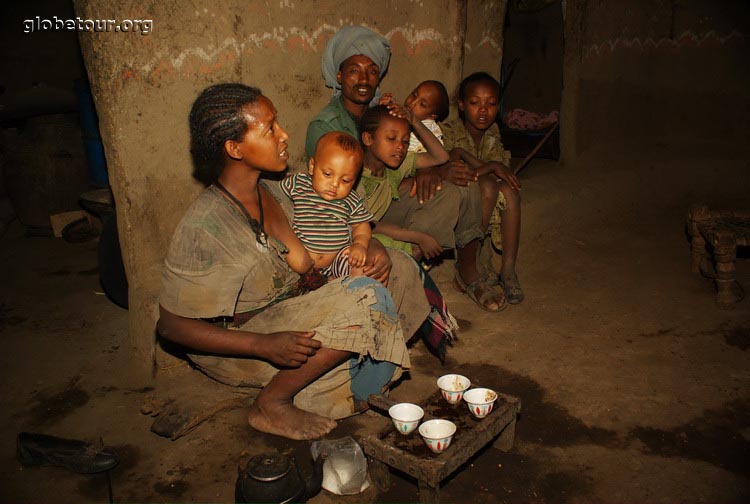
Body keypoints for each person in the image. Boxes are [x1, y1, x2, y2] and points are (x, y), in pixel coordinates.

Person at [157, 83, 431, 441]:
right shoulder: (207, 223)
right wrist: (262, 345)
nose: (284, 135)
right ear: (234, 148)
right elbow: (171, 327)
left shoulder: (276, 189)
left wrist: (373, 245)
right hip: (248, 341)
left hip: (297, 310)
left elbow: (340, 231)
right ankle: (273, 401)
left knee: (400, 266)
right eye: (270, 128)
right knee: (365, 298)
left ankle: (336, 375)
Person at [440, 72, 524, 303]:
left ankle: (507, 270)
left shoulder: (493, 132)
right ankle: (470, 264)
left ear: (498, 107)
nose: (483, 110)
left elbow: (501, 169)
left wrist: (491, 165)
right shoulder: (449, 131)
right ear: (461, 105)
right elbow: (469, 173)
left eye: (491, 103)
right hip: (458, 196)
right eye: (475, 103)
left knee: (510, 191)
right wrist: (491, 167)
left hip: (482, 189)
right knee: (487, 183)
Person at [281, 131, 372, 278]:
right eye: (328, 174)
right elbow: (271, 192)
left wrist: (360, 245)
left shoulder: (351, 199)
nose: (335, 184)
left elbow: (361, 226)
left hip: (335, 262)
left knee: (359, 269)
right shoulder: (298, 184)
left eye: (345, 180)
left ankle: (345, 290)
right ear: (312, 166)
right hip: (298, 262)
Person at [305, 25, 390, 159]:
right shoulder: (325, 126)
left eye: (372, 71)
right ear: (339, 76)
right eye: (354, 71)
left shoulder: (383, 118)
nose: (364, 79)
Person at [402, 80, 450, 153]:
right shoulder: (402, 113)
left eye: (422, 104)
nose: (412, 102)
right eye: (414, 95)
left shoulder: (431, 134)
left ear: (432, 116)